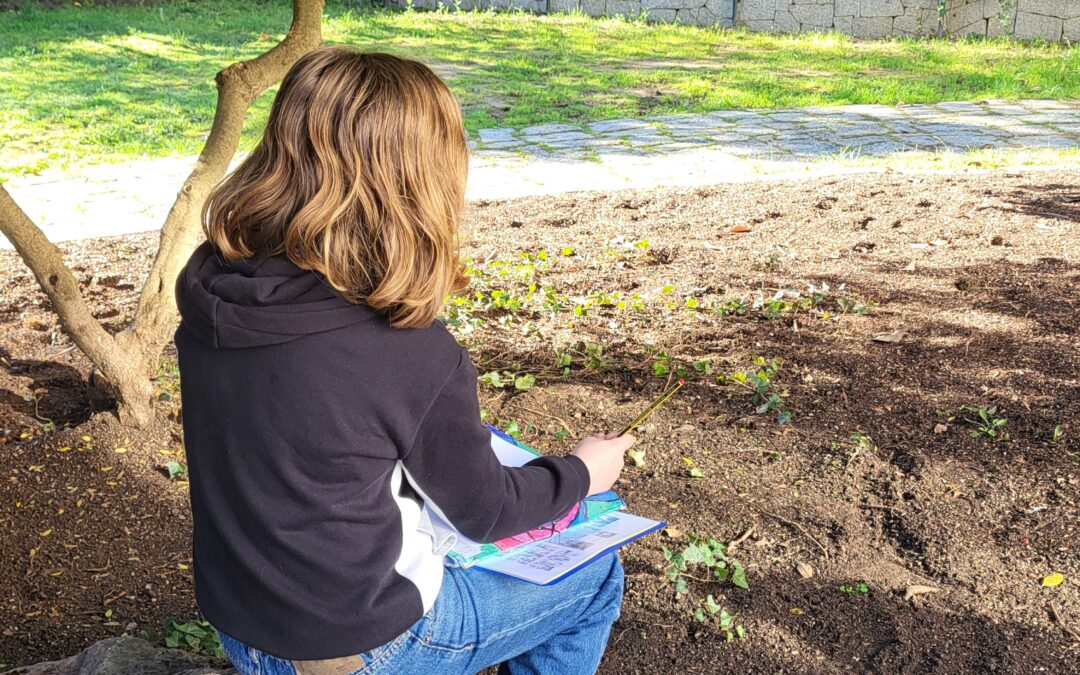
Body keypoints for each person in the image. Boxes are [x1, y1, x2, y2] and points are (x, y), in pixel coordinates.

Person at [174, 46, 635, 675]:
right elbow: (486, 512)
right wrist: (582, 472)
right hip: (364, 648)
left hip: (242, 623)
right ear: (423, 183)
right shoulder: (408, 353)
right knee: (595, 576)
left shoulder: (214, 292)